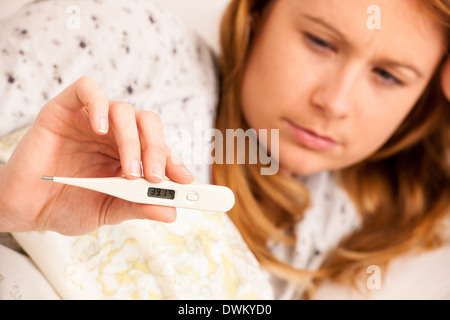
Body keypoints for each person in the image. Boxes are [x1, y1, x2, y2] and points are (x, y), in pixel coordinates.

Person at [0, 0, 449, 299]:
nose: (334, 102)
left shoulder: (335, 216)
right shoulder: (125, 38)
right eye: (320, 42)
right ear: (257, 14)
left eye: (388, 76)